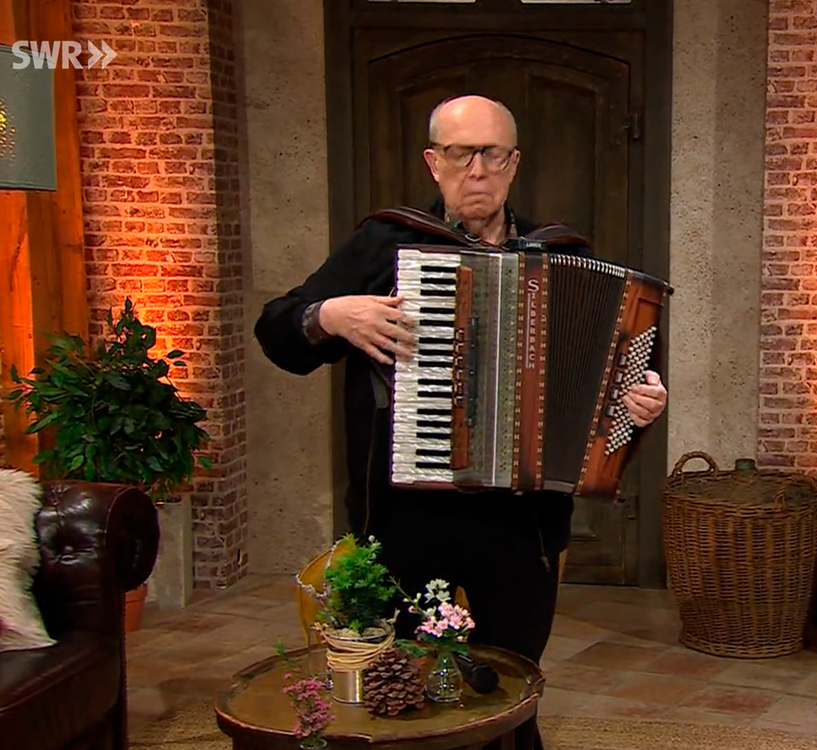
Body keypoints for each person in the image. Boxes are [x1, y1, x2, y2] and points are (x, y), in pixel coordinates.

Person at [253, 94, 668, 750]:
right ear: (433, 162)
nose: (477, 169)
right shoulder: (385, 244)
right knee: (409, 687)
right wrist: (333, 314)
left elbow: (618, 385)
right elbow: (278, 330)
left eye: (492, 154)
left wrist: (640, 404)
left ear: (513, 164)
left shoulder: (562, 253)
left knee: (513, 687)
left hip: (522, 523)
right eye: (459, 153)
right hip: (409, 519)